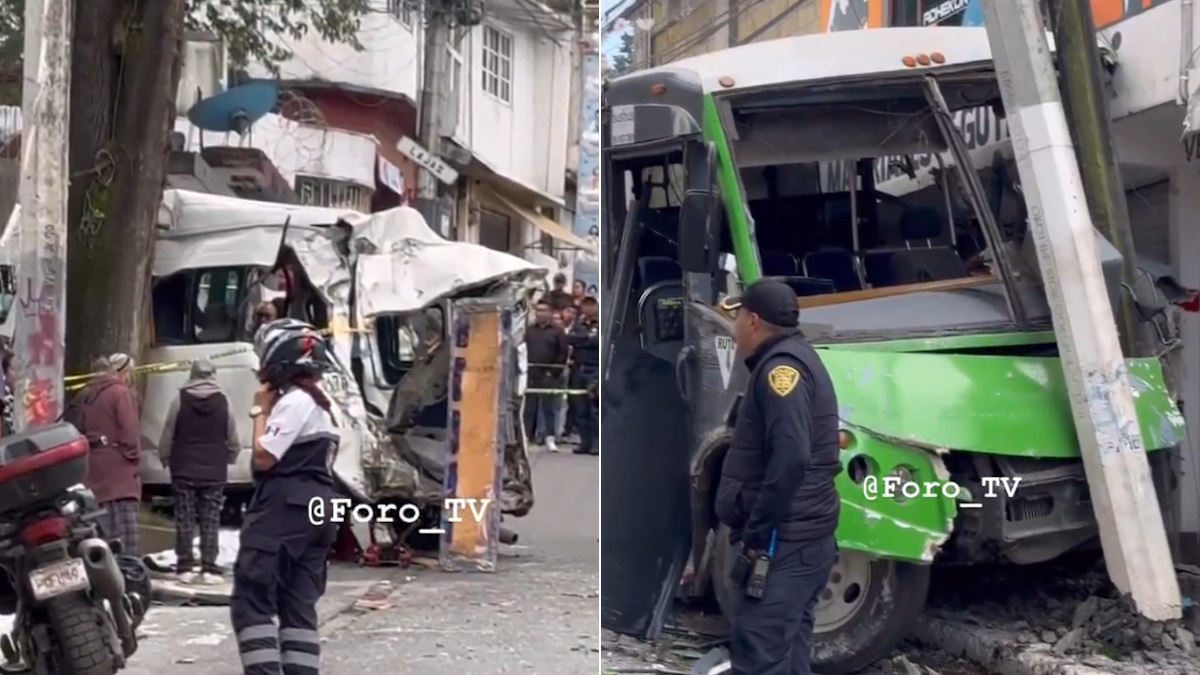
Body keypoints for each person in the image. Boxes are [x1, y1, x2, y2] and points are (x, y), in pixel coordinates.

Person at [713, 279, 842, 675]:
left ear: (752, 321)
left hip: (783, 542)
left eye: (736, 318)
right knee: (787, 656)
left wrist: (757, 533)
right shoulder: (795, 357)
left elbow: (792, 457)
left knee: (760, 658)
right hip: (800, 538)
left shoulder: (780, 371)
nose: (733, 329)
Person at [231, 318, 340, 675]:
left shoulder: (295, 403)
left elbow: (263, 458)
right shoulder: (325, 405)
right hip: (319, 507)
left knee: (253, 601)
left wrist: (259, 409)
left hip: (285, 509)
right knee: (298, 606)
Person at [158, 359, 240, 584]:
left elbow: (168, 433)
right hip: (214, 470)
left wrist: (164, 457)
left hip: (183, 468)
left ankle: (184, 566)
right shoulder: (224, 402)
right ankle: (209, 568)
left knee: (184, 517)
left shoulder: (179, 400)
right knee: (210, 519)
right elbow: (233, 437)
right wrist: (230, 456)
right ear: (213, 375)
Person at [69, 353, 143, 556]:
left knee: (102, 525)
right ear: (123, 372)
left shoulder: (87, 395)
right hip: (119, 472)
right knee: (124, 531)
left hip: (94, 468)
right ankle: (127, 569)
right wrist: (133, 457)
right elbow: (130, 433)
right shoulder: (120, 393)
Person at [525, 301, 570, 451]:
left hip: (549, 374)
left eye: (544, 310)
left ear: (550, 313)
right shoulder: (530, 331)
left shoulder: (557, 332)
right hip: (530, 373)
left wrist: (553, 372)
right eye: (538, 310)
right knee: (529, 407)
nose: (540, 313)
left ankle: (549, 437)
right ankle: (527, 436)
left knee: (548, 407)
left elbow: (562, 352)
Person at [566, 296, 600, 455]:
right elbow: (571, 339)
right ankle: (584, 442)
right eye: (584, 307)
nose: (586, 310)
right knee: (580, 409)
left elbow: (599, 342)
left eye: (590, 306)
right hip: (578, 369)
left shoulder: (602, 323)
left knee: (595, 409)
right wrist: (588, 339)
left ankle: (597, 443)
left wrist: (585, 340)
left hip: (595, 369)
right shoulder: (578, 324)